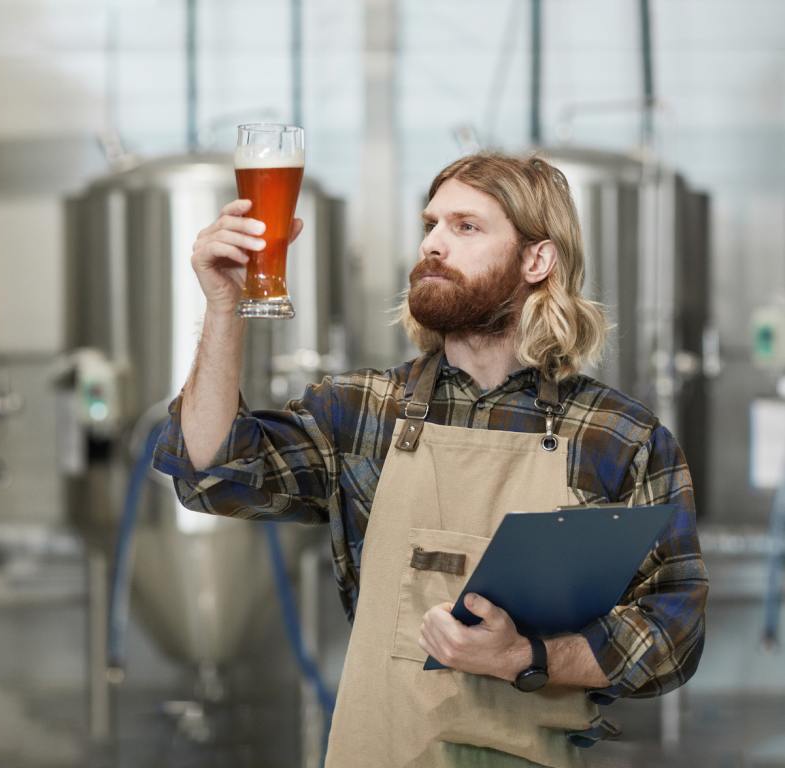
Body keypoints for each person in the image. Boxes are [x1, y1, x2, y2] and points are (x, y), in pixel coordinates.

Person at [152, 152, 708, 767]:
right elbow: (210, 471)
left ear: (536, 260)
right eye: (430, 225)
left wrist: (527, 658)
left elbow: (673, 631)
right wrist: (224, 308)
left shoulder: (619, 437)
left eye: (466, 227)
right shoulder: (361, 411)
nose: (434, 245)